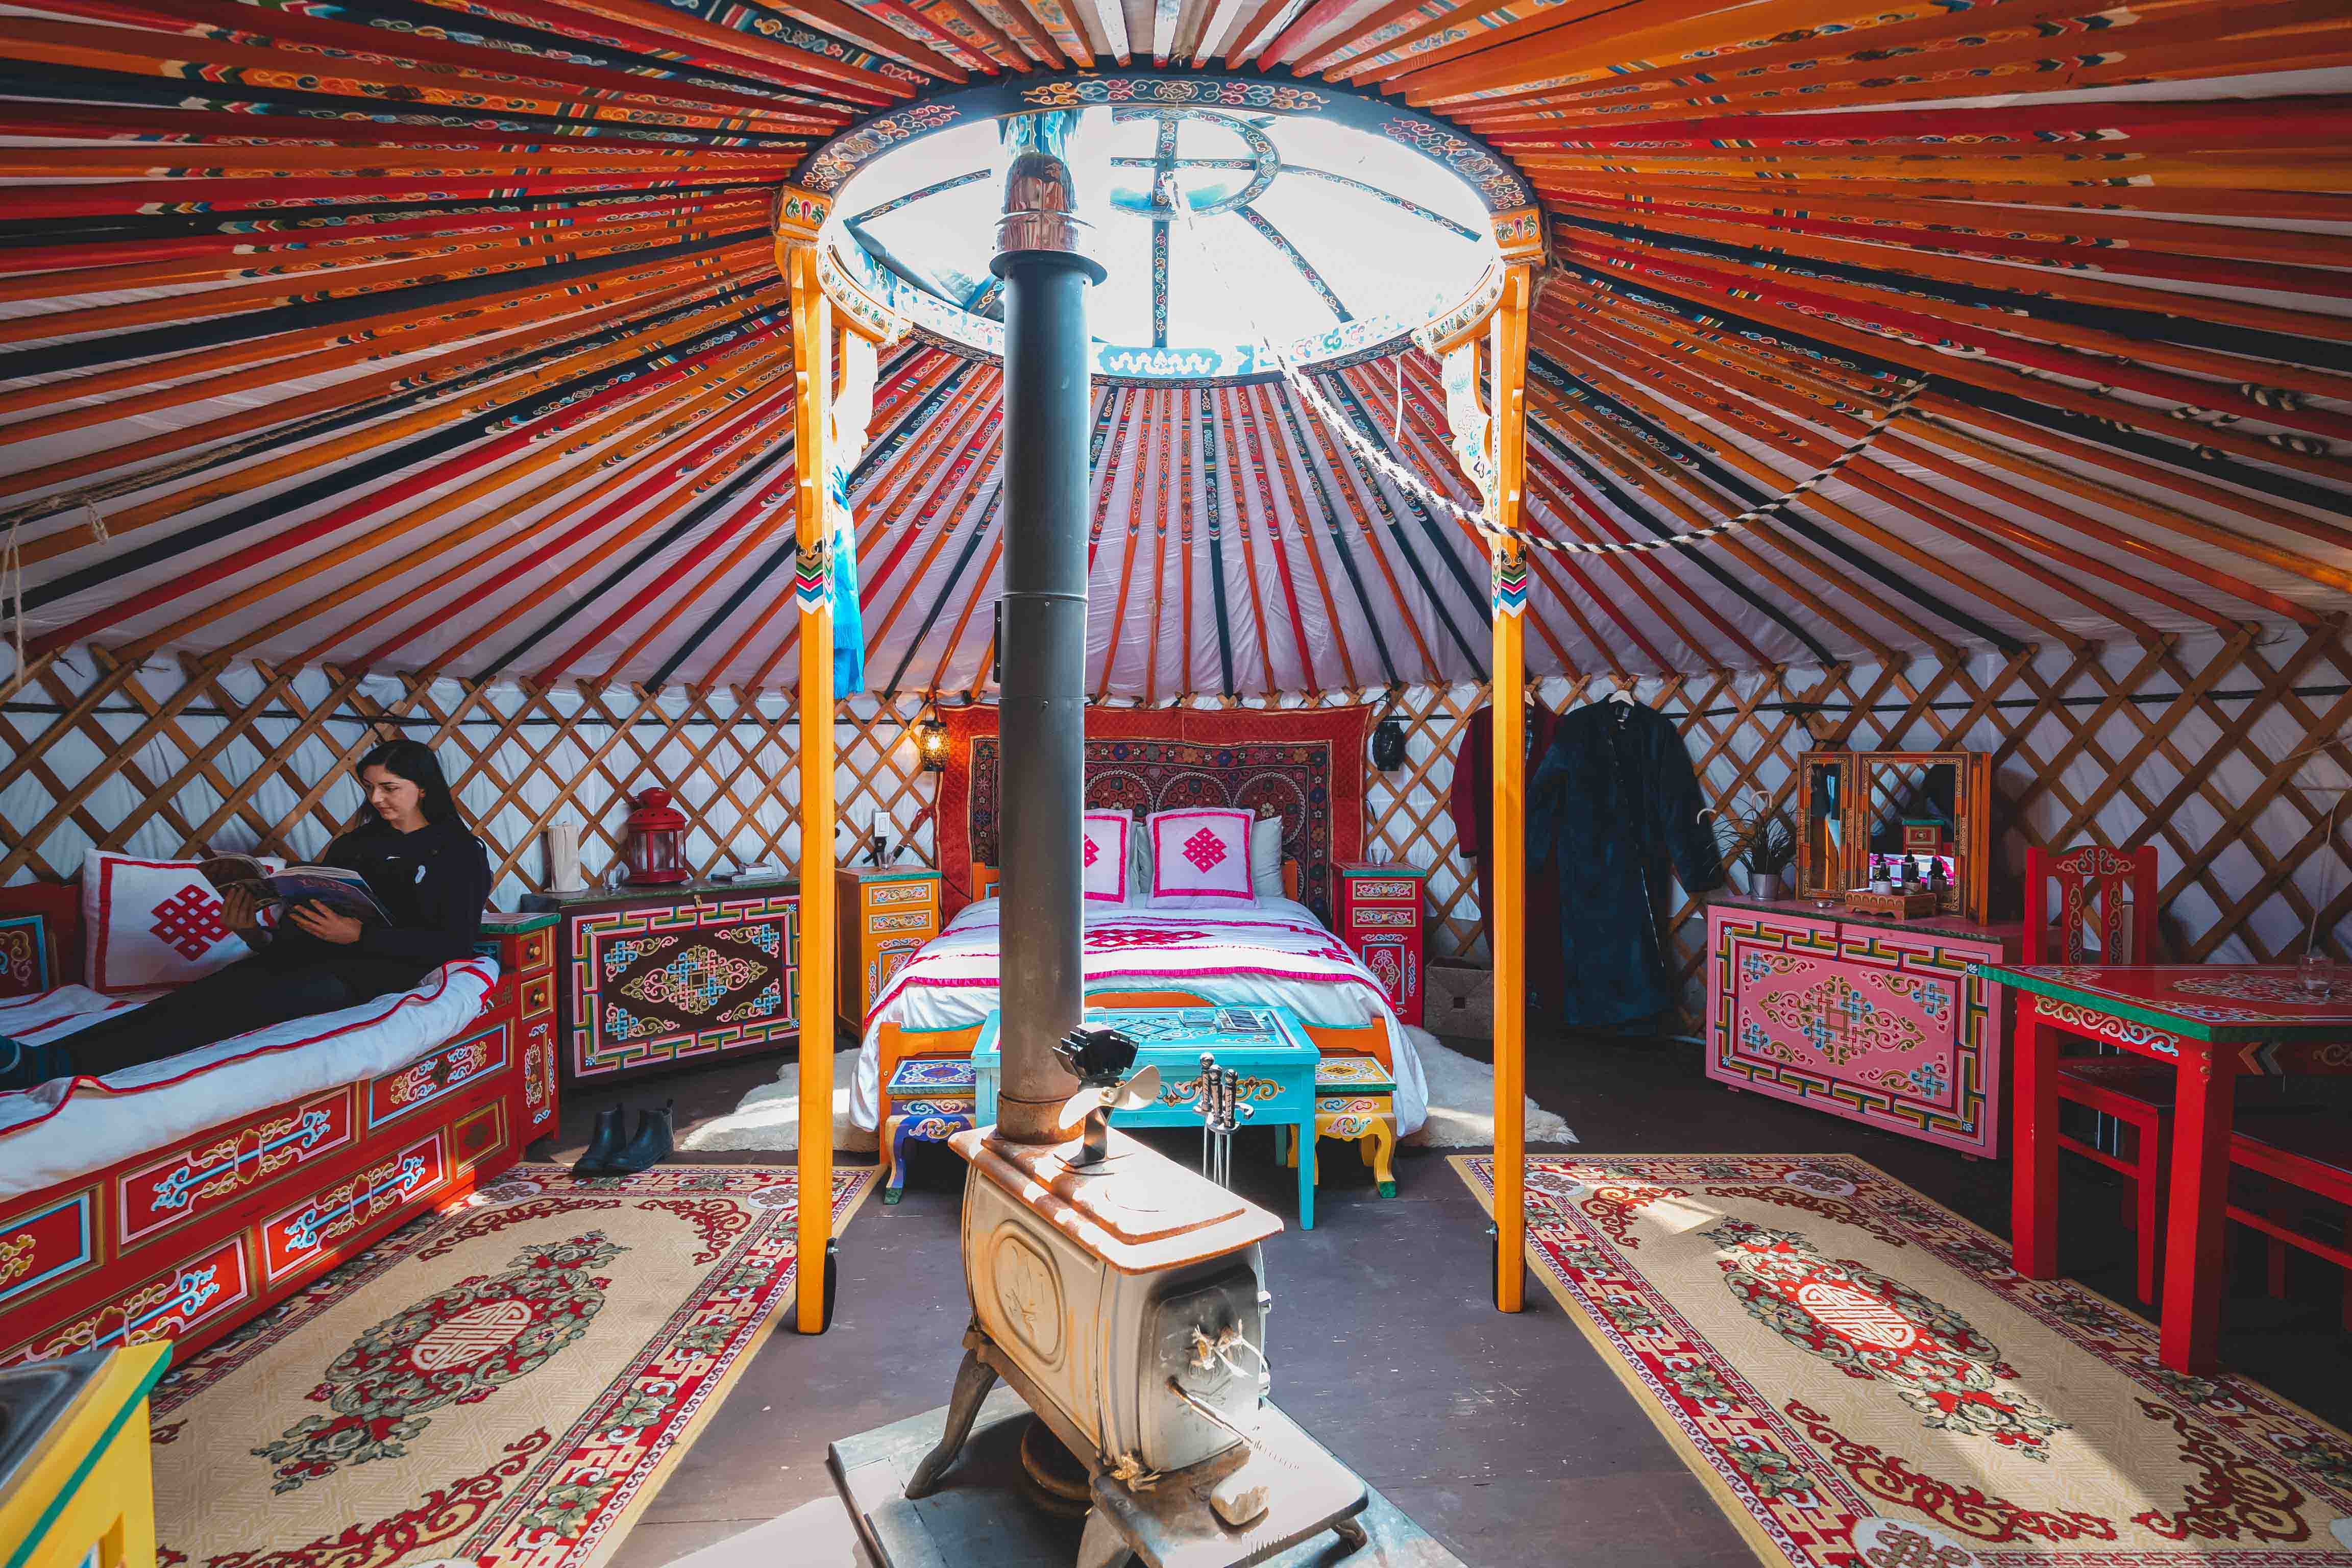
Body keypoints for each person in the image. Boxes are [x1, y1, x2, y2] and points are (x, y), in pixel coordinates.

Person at [0, 739, 492, 1091]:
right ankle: (44, 1059)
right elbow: (306, 920)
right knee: (194, 998)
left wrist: (358, 936)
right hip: (311, 958)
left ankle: (63, 1065)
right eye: (369, 787)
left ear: (423, 788)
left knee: (225, 1014)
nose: (375, 799)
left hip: (372, 974)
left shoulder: (458, 852)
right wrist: (253, 932)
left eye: (389, 788)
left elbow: (453, 942)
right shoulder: (355, 844)